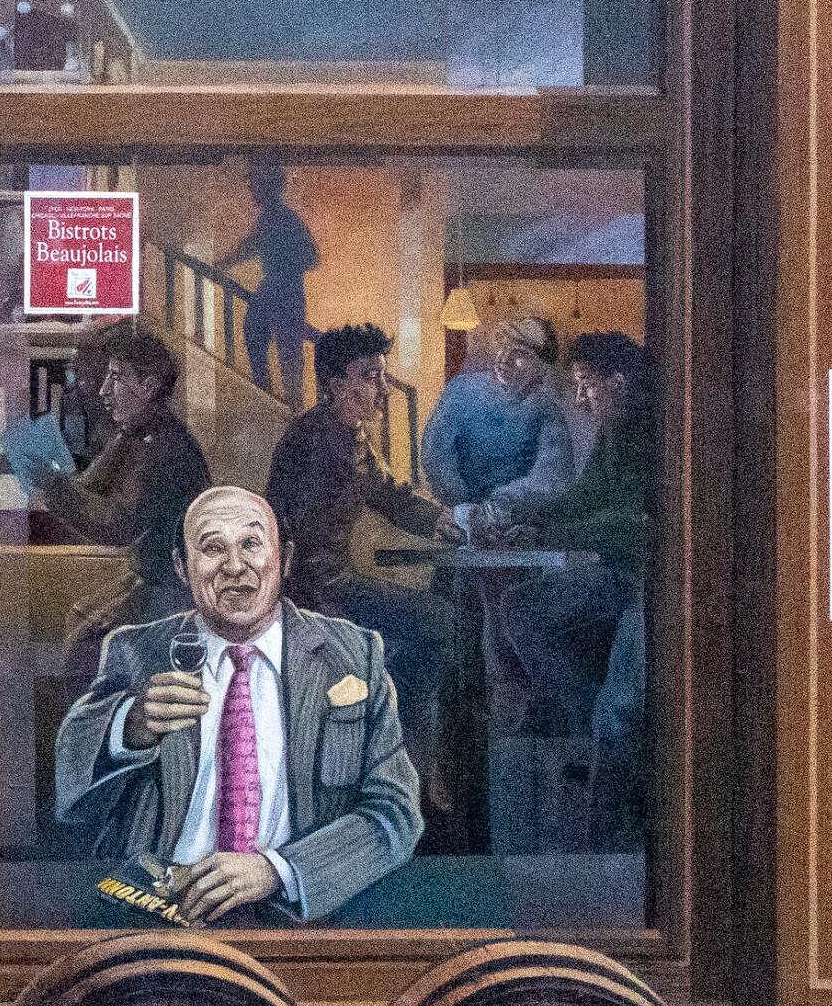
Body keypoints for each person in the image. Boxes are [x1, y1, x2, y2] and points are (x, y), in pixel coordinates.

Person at [49, 485, 423, 921]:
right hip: (161, 912)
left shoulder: (354, 655)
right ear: (182, 567)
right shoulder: (137, 650)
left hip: (299, 909)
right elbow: (68, 784)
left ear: (284, 559)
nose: (234, 566)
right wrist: (130, 725)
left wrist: (278, 870)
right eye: (212, 548)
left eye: (251, 544)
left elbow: (397, 813)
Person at [266, 323, 467, 820]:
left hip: (331, 588)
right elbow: (300, 542)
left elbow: (388, 493)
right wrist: (333, 618)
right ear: (338, 385)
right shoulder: (315, 444)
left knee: (436, 627)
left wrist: (442, 522)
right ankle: (410, 776)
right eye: (370, 377)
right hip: (312, 597)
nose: (383, 389)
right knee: (439, 624)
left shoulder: (348, 435)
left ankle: (408, 769)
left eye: (382, 376)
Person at [495, 332, 655, 849]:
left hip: (656, 586)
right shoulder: (613, 428)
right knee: (521, 606)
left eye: (587, 385)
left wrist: (548, 533)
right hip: (618, 576)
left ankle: (607, 846)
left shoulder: (657, 431)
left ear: (619, 382)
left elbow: (633, 523)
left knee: (619, 709)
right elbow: (585, 498)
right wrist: (522, 517)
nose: (581, 399)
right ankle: (577, 719)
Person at [23, 323, 211, 683]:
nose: (104, 391)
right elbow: (90, 486)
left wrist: (52, 482)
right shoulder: (136, 435)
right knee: (82, 623)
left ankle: (103, 717)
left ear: (148, 386)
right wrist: (52, 475)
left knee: (88, 645)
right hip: (150, 580)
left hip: (173, 592)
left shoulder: (166, 448)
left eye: (116, 377)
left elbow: (116, 525)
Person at [421, 313, 577, 525]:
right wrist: (462, 508)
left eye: (520, 353)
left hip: (513, 522)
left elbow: (552, 476)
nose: (505, 358)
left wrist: (495, 509)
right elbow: (436, 455)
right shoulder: (461, 390)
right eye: (504, 347)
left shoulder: (546, 410)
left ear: (542, 368)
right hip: (455, 516)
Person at [218, 157, 319, 402]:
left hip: (284, 290)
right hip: (278, 290)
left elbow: (312, 257)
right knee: (260, 334)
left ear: (268, 186)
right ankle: (271, 394)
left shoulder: (282, 218)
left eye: (255, 184)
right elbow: (250, 246)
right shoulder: (273, 218)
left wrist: (285, 262)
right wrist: (223, 264)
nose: (252, 190)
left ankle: (283, 400)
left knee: (284, 349)